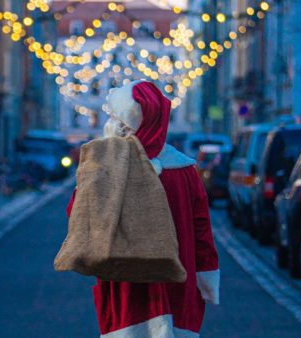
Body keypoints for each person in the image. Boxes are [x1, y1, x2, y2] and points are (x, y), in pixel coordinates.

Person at [67, 80, 220, 337]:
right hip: (179, 284)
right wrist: (207, 276)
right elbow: (201, 229)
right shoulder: (184, 170)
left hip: (126, 286)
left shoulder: (108, 165)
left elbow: (78, 214)